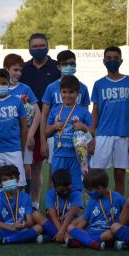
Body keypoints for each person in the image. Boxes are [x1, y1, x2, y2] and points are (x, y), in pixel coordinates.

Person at [89, 46, 129, 196]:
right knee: (97, 174)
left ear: (121, 60)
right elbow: (96, 110)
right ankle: (98, 205)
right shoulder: (99, 84)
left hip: (123, 134)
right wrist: (92, 131)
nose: (112, 61)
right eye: (109, 58)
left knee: (119, 173)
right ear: (104, 61)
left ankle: (119, 205)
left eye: (115, 58)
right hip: (103, 134)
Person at [19, 33, 61, 202]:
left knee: (49, 167)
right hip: (29, 125)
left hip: (51, 124)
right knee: (29, 167)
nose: (38, 49)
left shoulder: (56, 68)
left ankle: (44, 204)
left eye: (41, 45)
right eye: (34, 46)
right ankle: (29, 204)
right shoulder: (24, 69)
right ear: (29, 48)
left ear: (48, 46)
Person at [40, 50, 90, 188]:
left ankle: (76, 205)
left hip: (77, 139)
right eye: (65, 64)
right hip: (56, 136)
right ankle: (52, 207)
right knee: (54, 174)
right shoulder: (51, 87)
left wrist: (89, 140)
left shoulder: (83, 88)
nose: (69, 66)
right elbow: (44, 115)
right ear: (58, 66)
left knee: (78, 174)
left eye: (72, 63)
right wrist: (43, 141)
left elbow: (86, 116)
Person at [3, 53, 41, 209]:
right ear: (6, 69)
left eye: (20, 70)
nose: (18, 73)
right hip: (6, 139)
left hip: (24, 138)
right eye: (15, 70)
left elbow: (37, 113)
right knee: (7, 172)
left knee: (26, 171)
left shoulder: (25, 88)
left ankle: (27, 205)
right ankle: (9, 206)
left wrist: (31, 134)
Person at [66, 169, 124, 249]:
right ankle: (95, 243)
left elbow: (125, 215)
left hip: (107, 232)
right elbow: (84, 220)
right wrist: (77, 230)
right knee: (70, 227)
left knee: (110, 234)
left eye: (90, 190)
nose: (88, 193)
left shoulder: (117, 198)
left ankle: (84, 242)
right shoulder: (91, 201)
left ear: (100, 188)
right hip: (90, 232)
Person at [0, 165, 43, 245]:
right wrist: (11, 227)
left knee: (39, 228)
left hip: (22, 228)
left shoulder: (25, 197)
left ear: (17, 179)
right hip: (6, 228)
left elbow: (30, 221)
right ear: (0, 183)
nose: (8, 181)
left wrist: (24, 225)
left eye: (11, 178)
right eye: (4, 180)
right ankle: (26, 238)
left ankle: (6, 240)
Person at [32, 169, 82, 243]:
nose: (65, 192)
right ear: (55, 187)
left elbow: (71, 214)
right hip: (54, 224)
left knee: (84, 218)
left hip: (70, 224)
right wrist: (61, 232)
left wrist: (62, 230)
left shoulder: (77, 193)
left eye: (68, 189)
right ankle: (66, 238)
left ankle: (50, 237)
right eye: (62, 190)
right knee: (35, 214)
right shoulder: (50, 194)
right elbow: (52, 215)